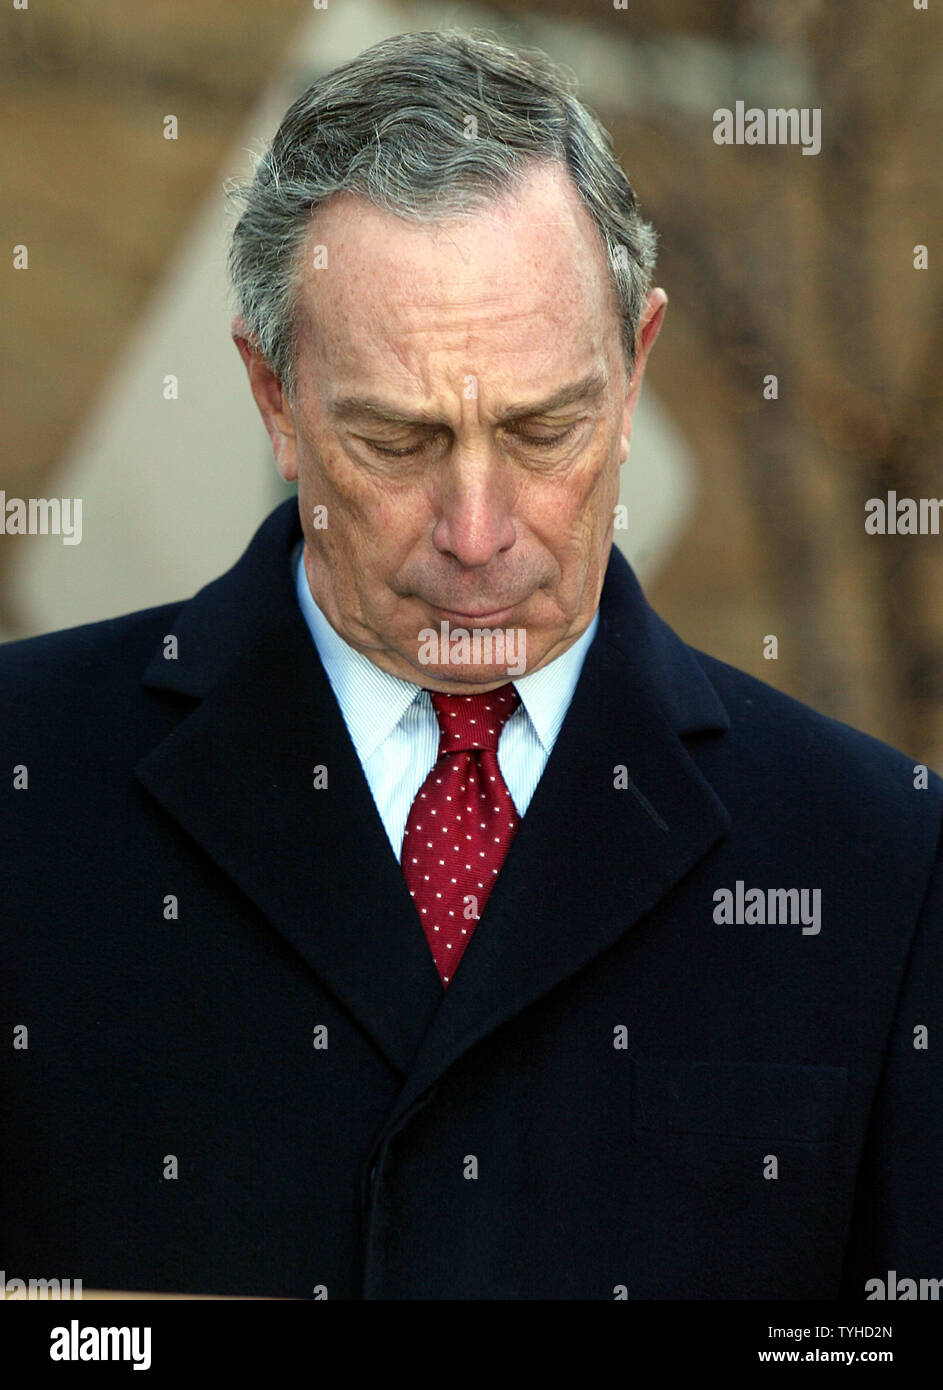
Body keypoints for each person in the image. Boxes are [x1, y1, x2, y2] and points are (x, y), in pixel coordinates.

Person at [2, 28, 940, 1301]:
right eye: (396, 440)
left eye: (546, 428)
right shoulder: (26, 785)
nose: (479, 531)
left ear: (636, 367)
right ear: (273, 397)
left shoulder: (881, 862)